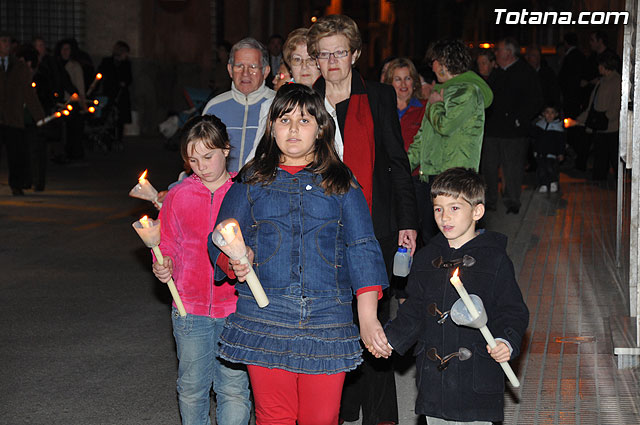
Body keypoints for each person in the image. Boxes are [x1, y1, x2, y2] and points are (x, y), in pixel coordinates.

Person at [208, 83, 389, 425]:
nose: (293, 129)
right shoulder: (251, 180)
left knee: (321, 418)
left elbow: (362, 247)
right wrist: (233, 257)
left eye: (305, 121)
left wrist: (367, 318)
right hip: (265, 315)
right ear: (271, 127)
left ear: (321, 129)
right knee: (273, 416)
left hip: (327, 318)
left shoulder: (341, 182)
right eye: (284, 119)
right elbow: (219, 234)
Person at [308, 14, 418, 425]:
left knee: (374, 326)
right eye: (324, 54)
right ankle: (335, 410)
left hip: (375, 229)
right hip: (321, 231)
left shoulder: (379, 96)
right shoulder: (306, 101)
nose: (332, 60)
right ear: (316, 59)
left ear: (354, 54)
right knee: (332, 325)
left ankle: (381, 418)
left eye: (339, 52)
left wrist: (408, 221)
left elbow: (396, 161)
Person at [380, 167, 530, 425]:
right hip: (434, 384)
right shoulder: (427, 258)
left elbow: (513, 310)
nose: (444, 217)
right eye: (438, 208)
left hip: (476, 381)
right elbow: (415, 309)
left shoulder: (494, 259)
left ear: (477, 211)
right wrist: (389, 339)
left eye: (454, 208)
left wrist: (506, 341)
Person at [151, 114, 251, 425]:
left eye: (208, 156)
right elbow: (167, 242)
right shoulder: (179, 195)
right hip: (189, 307)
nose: (202, 166)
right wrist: (162, 264)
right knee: (192, 387)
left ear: (226, 150)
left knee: (233, 388)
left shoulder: (244, 193)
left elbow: (257, 243)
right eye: (193, 160)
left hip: (234, 308)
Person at [408, 40, 493, 244]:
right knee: (431, 239)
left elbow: (445, 126)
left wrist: (435, 105)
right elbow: (423, 135)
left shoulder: (467, 91)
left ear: (445, 62)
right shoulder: (443, 90)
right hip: (431, 176)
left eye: (434, 61)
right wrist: (403, 165)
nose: (432, 67)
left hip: (455, 178)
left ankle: (456, 276)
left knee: (453, 238)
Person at [482, 37, 543, 214]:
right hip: (492, 130)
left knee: (512, 167)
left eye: (498, 49)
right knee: (489, 166)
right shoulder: (496, 73)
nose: (496, 53)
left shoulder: (525, 72)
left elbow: (536, 100)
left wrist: (520, 119)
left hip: (514, 132)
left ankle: (512, 200)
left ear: (508, 52)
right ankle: (489, 200)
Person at [202, 37, 274, 172]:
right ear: (230, 70)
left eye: (253, 67)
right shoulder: (214, 108)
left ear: (265, 71)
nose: (245, 73)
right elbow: (200, 156)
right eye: (239, 66)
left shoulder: (279, 105)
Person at [382, 57, 430, 245]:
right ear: (389, 82)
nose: (403, 84)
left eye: (408, 78)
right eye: (397, 79)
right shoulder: (381, 109)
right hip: (387, 180)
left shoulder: (425, 108)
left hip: (415, 180)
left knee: (419, 234)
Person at [0, 31, 45, 196]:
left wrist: (40, 117)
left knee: (15, 153)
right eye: (3, 41)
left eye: (8, 41)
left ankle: (16, 184)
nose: (6, 44)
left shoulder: (19, 67)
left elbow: (29, 93)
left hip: (13, 117)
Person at [573, 51, 622, 180]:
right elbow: (593, 104)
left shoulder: (616, 81)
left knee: (613, 155)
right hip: (600, 125)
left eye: (600, 65)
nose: (598, 67)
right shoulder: (602, 81)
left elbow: (616, 105)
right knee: (600, 156)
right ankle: (599, 179)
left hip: (611, 127)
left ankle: (616, 182)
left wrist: (606, 117)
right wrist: (581, 119)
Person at [54, 38, 88, 161]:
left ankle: (73, 153)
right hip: (60, 101)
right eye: (63, 49)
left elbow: (80, 86)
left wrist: (82, 102)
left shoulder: (75, 66)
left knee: (73, 129)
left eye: (67, 49)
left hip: (72, 102)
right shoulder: (56, 65)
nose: (65, 52)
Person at [97, 40, 132, 151]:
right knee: (109, 117)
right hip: (110, 93)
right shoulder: (107, 62)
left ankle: (119, 139)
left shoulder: (126, 64)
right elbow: (102, 75)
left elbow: (129, 78)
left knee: (120, 118)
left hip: (121, 94)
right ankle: (109, 139)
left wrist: (124, 82)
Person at [532, 104, 565, 193]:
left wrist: (561, 153)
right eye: (547, 112)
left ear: (556, 114)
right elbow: (536, 139)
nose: (549, 115)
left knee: (551, 168)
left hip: (552, 153)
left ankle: (553, 182)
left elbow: (561, 142)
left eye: (552, 113)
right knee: (541, 169)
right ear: (543, 114)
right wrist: (535, 150)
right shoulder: (540, 125)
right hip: (541, 153)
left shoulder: (558, 127)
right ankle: (543, 184)